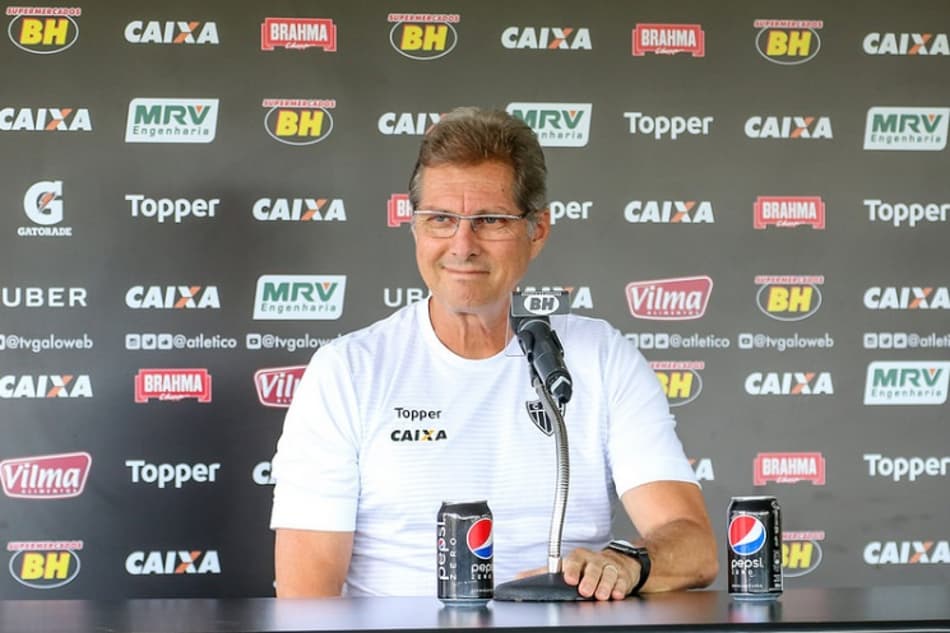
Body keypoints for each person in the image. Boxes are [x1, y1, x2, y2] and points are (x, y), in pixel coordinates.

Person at [270, 107, 718, 601]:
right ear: (415, 227)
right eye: (441, 219)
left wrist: (624, 563)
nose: (462, 245)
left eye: (490, 220)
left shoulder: (601, 356)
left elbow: (694, 547)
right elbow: (305, 601)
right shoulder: (347, 371)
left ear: (537, 230)